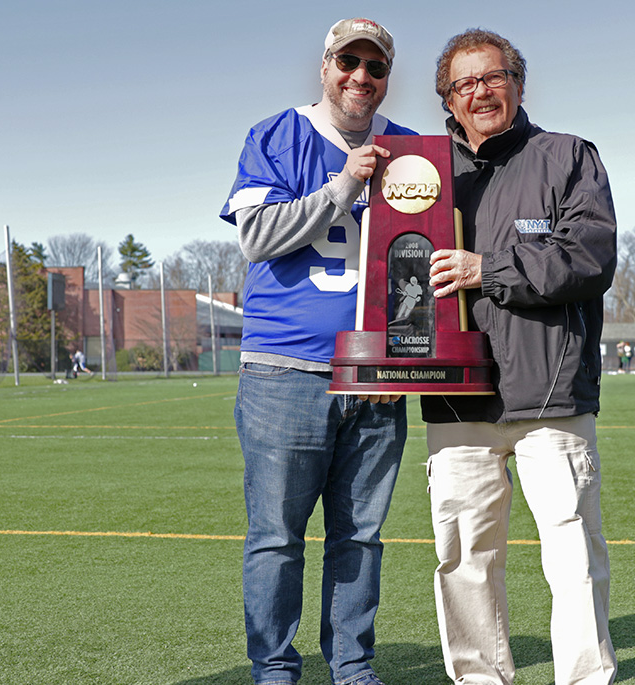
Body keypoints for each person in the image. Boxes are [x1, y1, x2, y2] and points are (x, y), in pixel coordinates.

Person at [217, 17, 413, 685]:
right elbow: (256, 237)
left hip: (376, 375)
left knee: (360, 535)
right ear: (325, 66)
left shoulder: (412, 149)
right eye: (348, 62)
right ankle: (274, 667)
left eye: (375, 66)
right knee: (277, 535)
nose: (361, 76)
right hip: (285, 368)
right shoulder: (276, 135)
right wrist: (341, 189)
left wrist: (402, 358)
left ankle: (353, 665)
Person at [422, 29, 617, 685]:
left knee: (572, 557)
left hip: (551, 397)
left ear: (519, 84)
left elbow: (590, 257)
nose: (479, 91)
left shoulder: (567, 156)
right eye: (463, 84)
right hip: (455, 398)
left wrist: (489, 267)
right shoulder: (420, 175)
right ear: (448, 101)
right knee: (463, 558)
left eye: (493, 76)